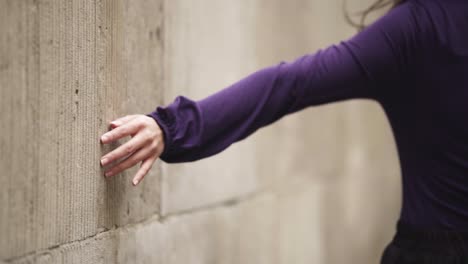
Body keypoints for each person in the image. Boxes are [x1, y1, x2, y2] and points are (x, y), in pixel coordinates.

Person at [99, 0, 468, 262]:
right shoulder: (421, 27)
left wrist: (173, 128)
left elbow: (290, 84)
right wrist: (171, 128)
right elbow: (289, 83)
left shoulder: (420, 26)